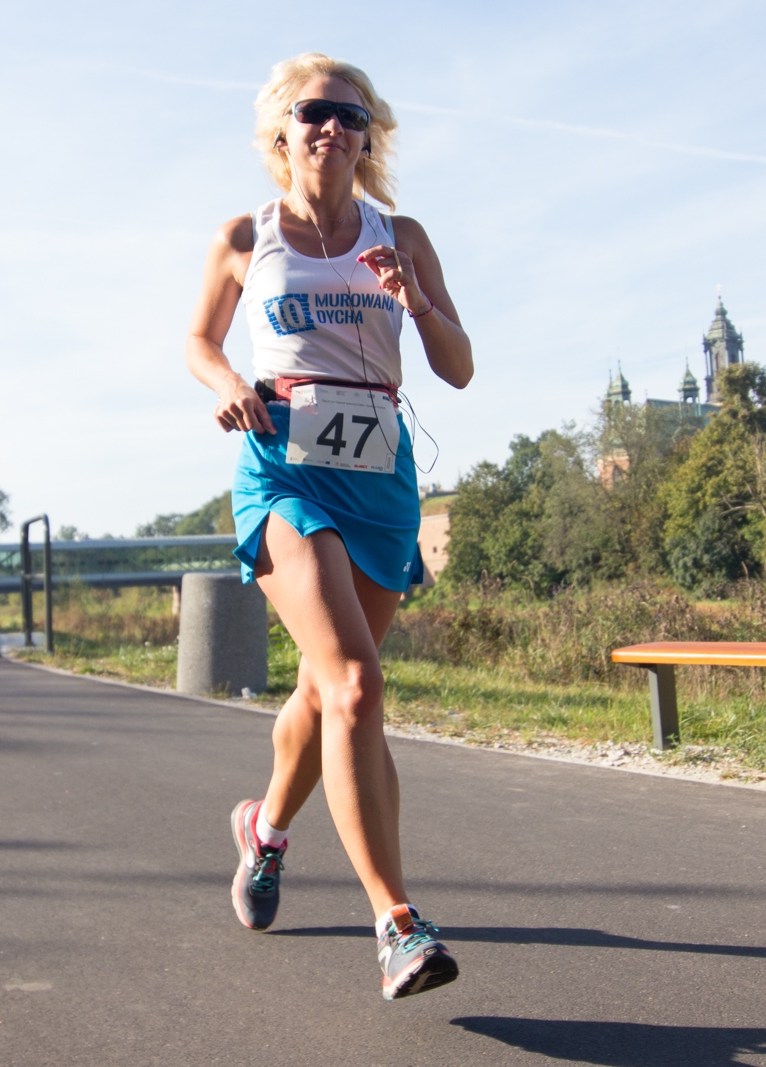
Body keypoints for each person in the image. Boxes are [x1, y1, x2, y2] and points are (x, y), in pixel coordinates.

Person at [185, 53, 473, 1000]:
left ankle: (264, 831)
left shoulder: (401, 233)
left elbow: (460, 367)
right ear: (283, 130)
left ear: (368, 135)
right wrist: (229, 385)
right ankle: (397, 921)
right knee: (355, 683)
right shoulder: (247, 233)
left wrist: (416, 299)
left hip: (380, 478)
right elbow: (198, 339)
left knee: (326, 692)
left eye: (353, 118)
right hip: (283, 471)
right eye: (316, 113)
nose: (334, 129)